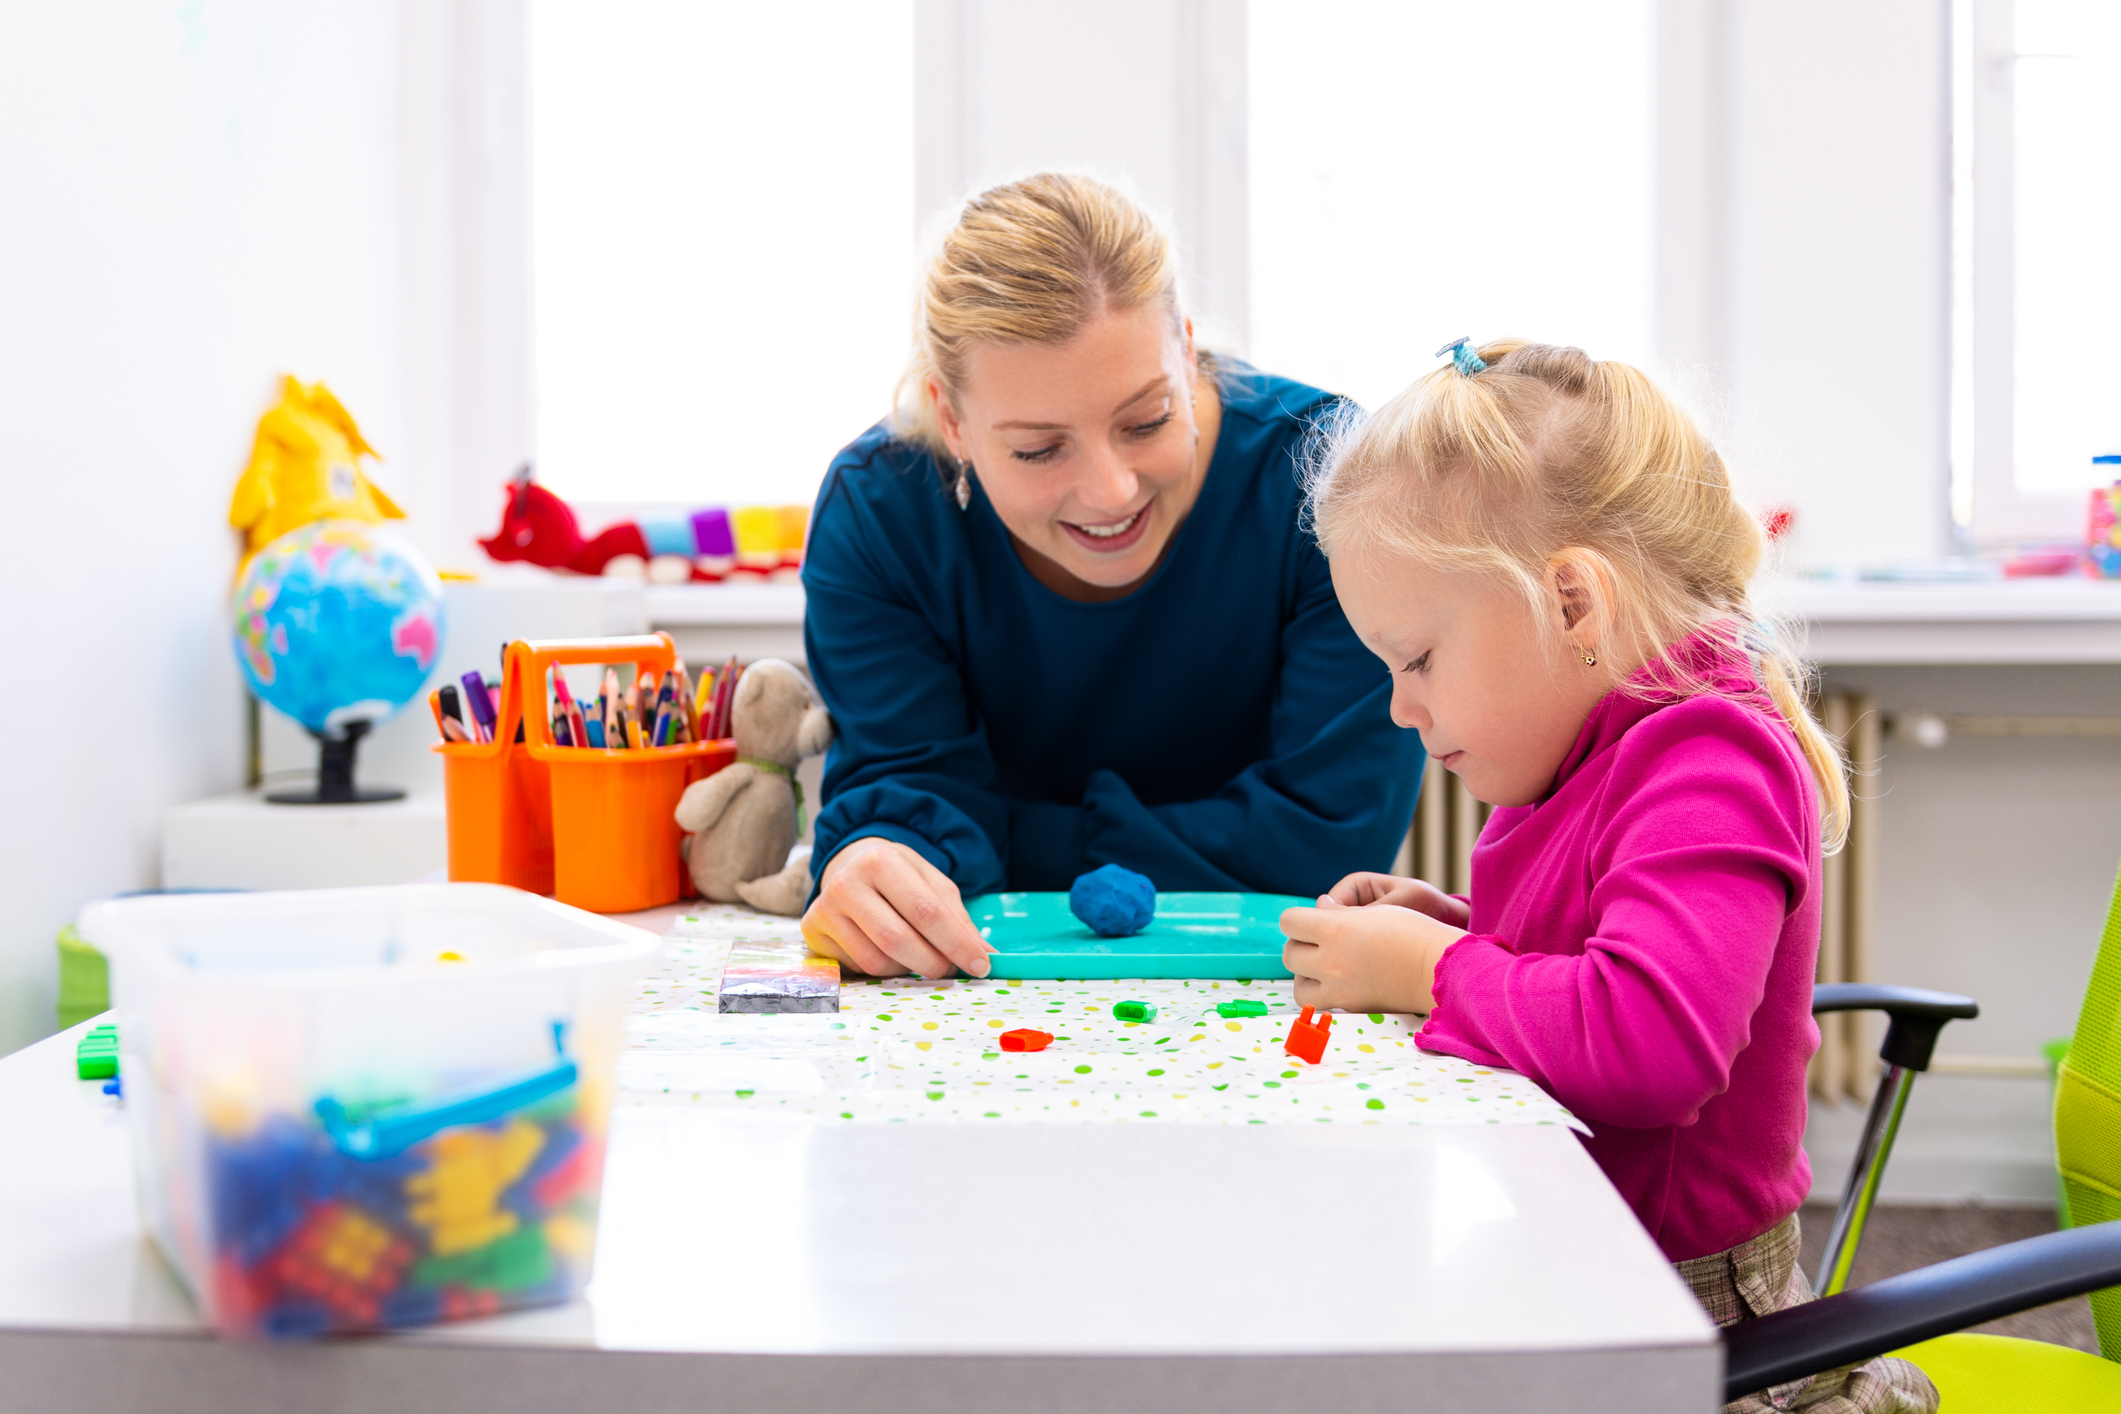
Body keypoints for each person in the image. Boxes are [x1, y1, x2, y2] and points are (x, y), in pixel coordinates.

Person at [1283, 340, 1936, 1413]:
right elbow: (1592, 946)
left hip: (1699, 1336)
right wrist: (1441, 924)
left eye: (1418, 659)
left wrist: (1437, 971)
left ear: (1573, 603)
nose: (1401, 709)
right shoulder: (1593, 744)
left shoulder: (1712, 759)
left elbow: (1649, 1040)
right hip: (1580, 1270)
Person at [798, 173, 1424, 981]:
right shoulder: (879, 514)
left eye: (1147, 419)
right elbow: (906, 801)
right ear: (950, 420)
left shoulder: (1332, 481)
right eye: (1037, 449)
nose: (1111, 492)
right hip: (986, 994)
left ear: (1186, 350)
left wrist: (997, 839)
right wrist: (879, 864)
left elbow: (1326, 842)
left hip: (1274, 986)